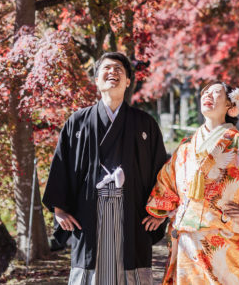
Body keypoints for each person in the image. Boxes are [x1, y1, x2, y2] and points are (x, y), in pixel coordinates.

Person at [43, 52, 169, 285]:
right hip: (89, 214)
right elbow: (61, 165)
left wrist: (160, 212)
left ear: (129, 81)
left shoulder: (144, 124)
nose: (113, 73)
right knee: (91, 271)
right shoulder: (77, 122)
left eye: (119, 70)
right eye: (107, 69)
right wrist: (59, 209)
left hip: (132, 215)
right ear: (97, 79)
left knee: (130, 271)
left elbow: (162, 171)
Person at [145, 81, 239, 285]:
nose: (207, 96)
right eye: (205, 93)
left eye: (215, 93)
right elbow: (168, 179)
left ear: (230, 106)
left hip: (226, 237)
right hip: (188, 239)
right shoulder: (186, 146)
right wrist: (160, 211)